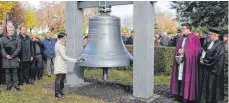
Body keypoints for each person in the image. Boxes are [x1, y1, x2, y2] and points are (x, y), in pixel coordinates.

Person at [170, 23, 201, 102]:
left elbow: (197, 51)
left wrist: (185, 51)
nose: (182, 30)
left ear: (188, 29)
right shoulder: (180, 38)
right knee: (179, 77)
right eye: (182, 28)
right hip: (180, 61)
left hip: (189, 64)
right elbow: (178, 48)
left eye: (183, 28)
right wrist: (179, 51)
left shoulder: (194, 38)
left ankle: (186, 96)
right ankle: (178, 94)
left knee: (187, 78)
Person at [199, 27, 225, 103]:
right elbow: (206, 52)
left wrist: (204, 62)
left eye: (210, 34)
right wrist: (202, 57)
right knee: (206, 85)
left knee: (212, 86)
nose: (209, 36)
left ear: (215, 35)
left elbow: (216, 58)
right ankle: (205, 100)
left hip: (214, 70)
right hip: (207, 69)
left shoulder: (220, 45)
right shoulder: (210, 42)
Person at [54, 32, 78, 98]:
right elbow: (64, 56)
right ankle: (57, 92)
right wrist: (74, 60)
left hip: (63, 63)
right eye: (65, 37)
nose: (66, 39)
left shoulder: (62, 44)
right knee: (59, 79)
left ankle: (61, 91)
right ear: (61, 38)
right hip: (59, 63)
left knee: (62, 79)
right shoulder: (59, 45)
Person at [1, 24, 21, 91]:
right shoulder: (2, 39)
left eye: (12, 30)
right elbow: (1, 49)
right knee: (7, 73)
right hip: (6, 58)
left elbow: (19, 48)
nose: (11, 31)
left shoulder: (17, 39)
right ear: (7, 31)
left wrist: (13, 55)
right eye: (10, 30)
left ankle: (16, 85)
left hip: (14, 58)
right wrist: (6, 55)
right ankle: (8, 85)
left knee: (15, 72)